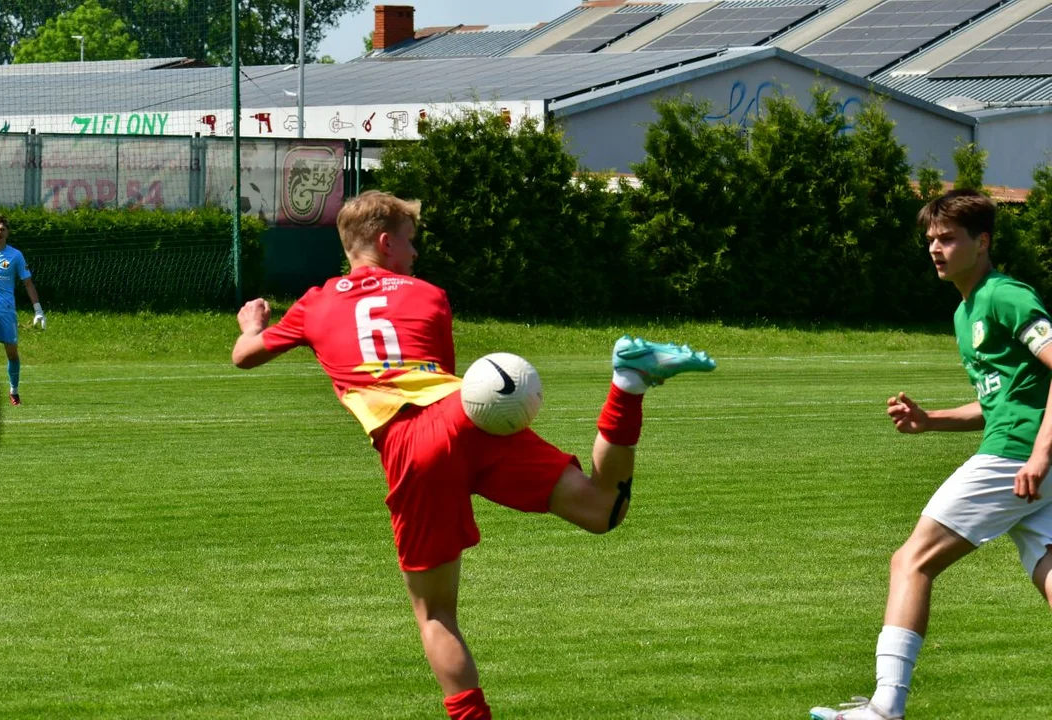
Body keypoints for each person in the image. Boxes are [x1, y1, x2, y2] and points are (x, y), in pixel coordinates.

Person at [231, 190, 716, 719]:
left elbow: (245, 358)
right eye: (411, 244)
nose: (415, 255)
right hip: (469, 413)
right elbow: (436, 373)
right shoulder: (429, 296)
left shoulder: (314, 304)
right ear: (386, 242)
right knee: (603, 509)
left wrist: (252, 323)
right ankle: (628, 381)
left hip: (412, 443)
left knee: (436, 613)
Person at [811, 188, 1052, 720]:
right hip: (1028, 458)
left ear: (982, 241)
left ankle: (885, 708)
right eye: (931, 240)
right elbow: (1003, 400)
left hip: (1017, 459)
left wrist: (1039, 454)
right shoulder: (966, 313)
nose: (936, 249)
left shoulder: (1005, 296)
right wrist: (931, 421)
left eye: (948, 239)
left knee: (911, 560)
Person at [0, 216, 45, 406]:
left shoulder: (15, 256)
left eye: (2, 229)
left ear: (7, 233)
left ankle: (14, 391)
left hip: (6, 312)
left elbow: (27, 283)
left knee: (12, 354)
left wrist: (38, 310)